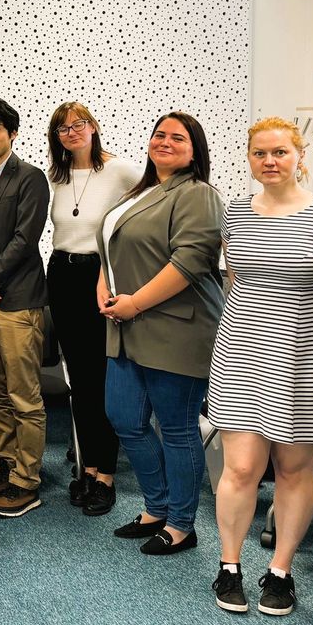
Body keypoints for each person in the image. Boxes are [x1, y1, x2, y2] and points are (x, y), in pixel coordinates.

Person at [207, 118, 313, 615]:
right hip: (242, 351)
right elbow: (234, 279)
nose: (270, 161)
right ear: (249, 158)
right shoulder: (234, 213)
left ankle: (281, 572)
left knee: (293, 468)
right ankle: (229, 566)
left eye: (280, 152)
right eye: (260, 153)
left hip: (308, 354)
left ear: (299, 156)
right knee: (241, 467)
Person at [98, 112, 224, 556]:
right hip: (125, 325)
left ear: (194, 149)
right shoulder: (139, 192)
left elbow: (190, 261)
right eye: (159, 134)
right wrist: (104, 286)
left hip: (175, 328)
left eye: (177, 137)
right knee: (125, 419)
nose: (164, 142)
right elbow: (111, 249)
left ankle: (182, 524)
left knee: (176, 427)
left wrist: (134, 303)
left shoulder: (198, 193)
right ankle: (157, 507)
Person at [45, 102, 140, 518]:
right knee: (79, 380)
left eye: (79, 124)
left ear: (93, 127)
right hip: (60, 274)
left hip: (97, 276)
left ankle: (106, 476)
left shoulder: (119, 171)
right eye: (63, 128)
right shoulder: (58, 174)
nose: (72, 132)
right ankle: (87, 466)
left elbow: (154, 200)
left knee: (101, 378)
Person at [0, 98, 51, 518]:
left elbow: (24, 239)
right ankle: (5, 466)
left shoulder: (30, 178)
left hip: (17, 303)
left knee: (23, 395)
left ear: (12, 133)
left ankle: (27, 480)